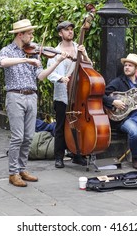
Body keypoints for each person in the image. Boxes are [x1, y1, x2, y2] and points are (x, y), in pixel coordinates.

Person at [0, 19, 68, 187]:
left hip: (32, 96)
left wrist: (57, 62)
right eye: (29, 33)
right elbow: (3, 63)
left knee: (28, 137)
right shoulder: (7, 50)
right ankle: (13, 173)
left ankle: (22, 169)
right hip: (15, 96)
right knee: (17, 137)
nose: (32, 36)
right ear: (20, 35)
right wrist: (25, 60)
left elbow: (41, 76)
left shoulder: (34, 52)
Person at [47, 21, 92, 168]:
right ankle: (59, 157)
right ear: (60, 33)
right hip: (62, 94)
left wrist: (84, 54)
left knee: (77, 124)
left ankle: (77, 154)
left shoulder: (78, 49)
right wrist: (61, 78)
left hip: (78, 95)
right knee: (60, 126)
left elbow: (89, 67)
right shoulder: (54, 52)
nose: (70, 32)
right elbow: (49, 73)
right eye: (67, 30)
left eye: (72, 29)